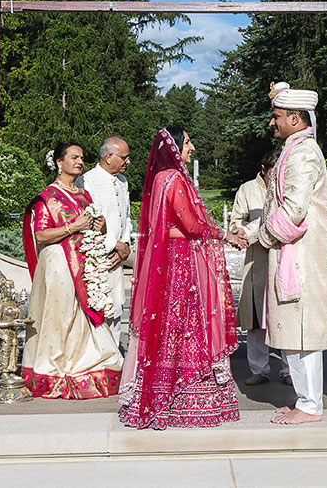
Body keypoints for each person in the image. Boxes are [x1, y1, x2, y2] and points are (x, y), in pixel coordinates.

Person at [118, 126, 246, 429]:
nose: (192, 147)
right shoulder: (174, 180)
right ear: (175, 147)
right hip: (180, 264)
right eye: (187, 142)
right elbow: (191, 224)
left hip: (168, 262)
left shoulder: (161, 180)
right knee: (187, 323)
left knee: (165, 324)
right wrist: (224, 235)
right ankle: (184, 397)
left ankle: (157, 390)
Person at [21, 140, 123, 399]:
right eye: (74, 157)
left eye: (82, 158)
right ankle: (55, 370)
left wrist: (97, 227)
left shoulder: (83, 195)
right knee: (60, 317)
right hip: (58, 266)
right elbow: (41, 235)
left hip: (82, 264)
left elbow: (88, 229)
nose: (79, 162)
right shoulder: (48, 197)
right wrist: (73, 228)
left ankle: (84, 366)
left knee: (82, 316)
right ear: (59, 163)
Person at [258, 82, 327, 425]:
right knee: (294, 332)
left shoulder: (303, 153)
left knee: (303, 332)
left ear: (295, 117)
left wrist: (265, 235)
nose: (271, 122)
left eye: (276, 116)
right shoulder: (295, 148)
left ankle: (311, 405)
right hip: (292, 253)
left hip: (299, 257)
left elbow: (294, 210)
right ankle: (304, 400)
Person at [233, 149, 291, 386]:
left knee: (285, 317)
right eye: (272, 174)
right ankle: (259, 369)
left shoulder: (288, 188)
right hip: (257, 262)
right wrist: (243, 233)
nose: (276, 178)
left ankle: (288, 370)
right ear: (263, 170)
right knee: (256, 320)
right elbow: (236, 222)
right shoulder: (247, 189)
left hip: (283, 261)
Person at [76, 136, 132, 347]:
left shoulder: (123, 181)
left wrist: (124, 245)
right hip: (97, 257)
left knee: (118, 308)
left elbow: (125, 216)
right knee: (100, 309)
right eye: (124, 157)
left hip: (117, 258)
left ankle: (114, 362)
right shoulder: (88, 180)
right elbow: (91, 220)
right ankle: (100, 363)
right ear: (109, 157)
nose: (128, 162)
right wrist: (113, 245)